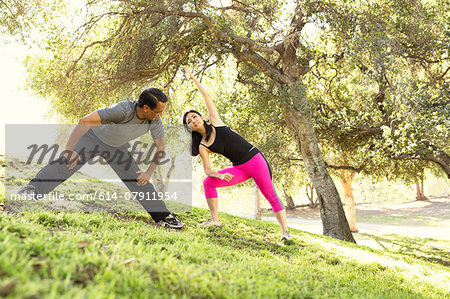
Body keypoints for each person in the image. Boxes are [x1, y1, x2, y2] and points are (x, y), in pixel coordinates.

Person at [18, 88, 185, 229]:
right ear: (146, 108)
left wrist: (148, 172)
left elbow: (160, 147)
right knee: (66, 164)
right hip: (92, 139)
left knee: (138, 179)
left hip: (117, 147)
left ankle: (164, 217)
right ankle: (32, 190)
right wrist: (69, 151)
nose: (161, 114)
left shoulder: (154, 121)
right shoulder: (123, 110)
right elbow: (84, 121)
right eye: (159, 111)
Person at [182, 67, 291, 241]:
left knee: (270, 194)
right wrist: (218, 175)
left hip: (255, 160)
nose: (193, 120)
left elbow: (207, 97)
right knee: (208, 182)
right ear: (189, 127)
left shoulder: (215, 121)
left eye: (194, 116)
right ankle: (214, 220)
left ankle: (285, 232)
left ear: (201, 117)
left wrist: (193, 79)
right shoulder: (203, 145)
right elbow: (208, 170)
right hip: (239, 168)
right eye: (189, 121)